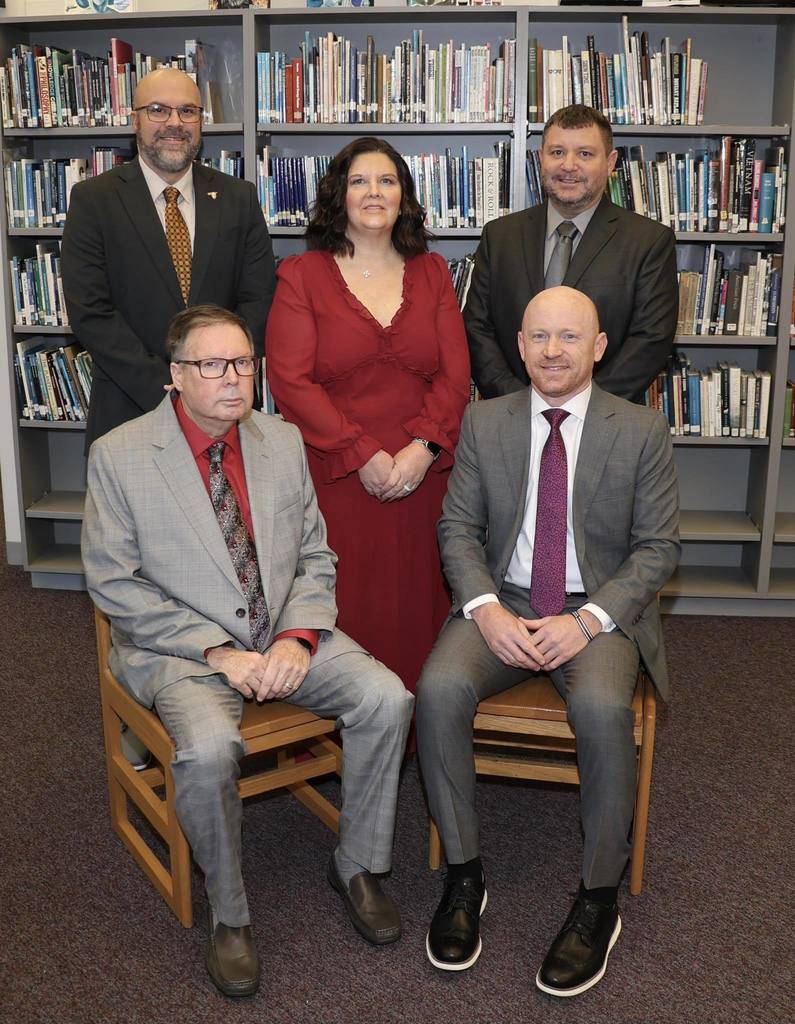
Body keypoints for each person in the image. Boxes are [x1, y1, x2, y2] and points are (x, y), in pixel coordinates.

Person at [81, 304, 413, 998]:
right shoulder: (119, 455)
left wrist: (297, 636)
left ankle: (358, 865)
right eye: (212, 365)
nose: (233, 378)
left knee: (388, 698)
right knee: (207, 752)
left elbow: (316, 556)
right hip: (182, 650)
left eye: (242, 362)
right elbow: (114, 586)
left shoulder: (281, 441)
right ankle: (229, 914)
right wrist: (215, 651)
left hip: (283, 632)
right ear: (175, 375)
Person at [416, 287, 680, 996]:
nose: (553, 351)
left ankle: (598, 898)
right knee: (437, 690)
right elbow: (457, 528)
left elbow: (657, 548)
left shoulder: (641, 429)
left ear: (598, 347)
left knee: (600, 709)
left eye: (569, 337)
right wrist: (483, 610)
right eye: (539, 336)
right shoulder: (485, 420)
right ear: (519, 345)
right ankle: (464, 877)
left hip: (594, 610)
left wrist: (587, 621)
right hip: (501, 599)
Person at [265, 137, 471, 707]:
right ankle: (342, 726)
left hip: (422, 476)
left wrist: (422, 448)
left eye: (387, 180)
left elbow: (455, 376)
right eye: (359, 181)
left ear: (404, 196)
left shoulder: (432, 272)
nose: (374, 192)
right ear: (339, 195)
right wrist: (362, 454)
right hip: (336, 475)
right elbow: (290, 380)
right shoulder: (302, 275)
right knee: (344, 600)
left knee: (418, 601)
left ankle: (419, 731)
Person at [62, 67, 276, 448]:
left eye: (187, 111)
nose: (175, 123)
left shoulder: (239, 198)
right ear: (135, 120)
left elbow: (257, 298)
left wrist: (213, 378)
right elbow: (90, 310)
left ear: (201, 122)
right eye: (158, 110)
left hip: (225, 408)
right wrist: (172, 389)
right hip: (131, 406)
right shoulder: (93, 200)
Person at [464, 104, 678, 404]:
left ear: (610, 163)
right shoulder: (499, 236)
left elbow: (650, 340)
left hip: (605, 418)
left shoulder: (648, 242)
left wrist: (582, 409)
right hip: (511, 413)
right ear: (541, 158)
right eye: (557, 152)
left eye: (585, 154)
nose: (568, 165)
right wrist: (520, 405)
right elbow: (477, 328)